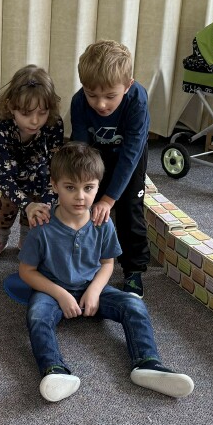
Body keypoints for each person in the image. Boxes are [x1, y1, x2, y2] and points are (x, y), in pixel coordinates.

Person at [19, 143, 193, 403]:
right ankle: (54, 370)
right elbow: (26, 271)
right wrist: (60, 294)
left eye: (88, 188)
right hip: (52, 290)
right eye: (70, 187)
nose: (80, 197)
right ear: (54, 185)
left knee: (133, 304)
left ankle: (147, 363)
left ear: (98, 186)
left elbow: (108, 263)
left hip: (93, 287)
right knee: (37, 316)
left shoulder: (102, 222)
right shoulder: (42, 226)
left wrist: (94, 291)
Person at [69, 40, 151, 297]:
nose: (101, 104)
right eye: (92, 95)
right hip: (94, 154)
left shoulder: (137, 100)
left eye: (110, 96)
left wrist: (109, 198)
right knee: (84, 203)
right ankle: (85, 263)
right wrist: (85, 188)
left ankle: (133, 270)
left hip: (129, 156)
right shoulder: (78, 102)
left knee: (129, 208)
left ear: (127, 85)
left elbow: (130, 155)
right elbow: (81, 149)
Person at [0, 65, 65, 263]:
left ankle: (27, 237)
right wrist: (27, 204)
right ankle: (0, 236)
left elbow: (56, 167)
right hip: (4, 165)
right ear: (11, 107)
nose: (35, 121)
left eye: (42, 112)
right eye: (26, 113)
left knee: (39, 185)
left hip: (35, 163)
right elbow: (4, 175)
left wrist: (44, 205)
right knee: (10, 195)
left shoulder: (54, 123)